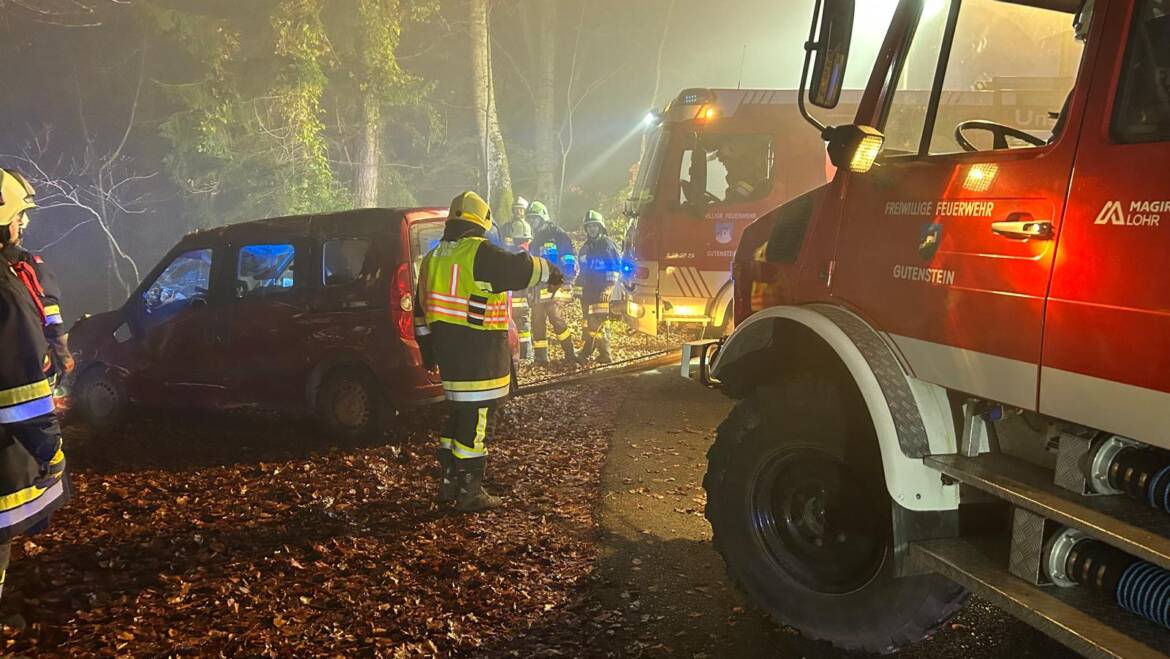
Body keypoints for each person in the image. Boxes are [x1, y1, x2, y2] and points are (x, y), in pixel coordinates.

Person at [413, 191, 562, 512]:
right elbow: (519, 268)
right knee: (477, 425)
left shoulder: (433, 258)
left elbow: (420, 315)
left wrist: (428, 353)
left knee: (457, 421)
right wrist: (552, 271)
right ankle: (470, 492)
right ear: (481, 222)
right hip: (480, 361)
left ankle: (449, 483)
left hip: (452, 362)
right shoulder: (478, 252)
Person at [0, 169, 70, 611]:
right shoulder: (6, 288)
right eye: (19, 214)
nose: (22, 223)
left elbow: (49, 308)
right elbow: (18, 385)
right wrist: (51, 451)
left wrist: (57, 340)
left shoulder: (24, 267)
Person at [0, 171, 73, 390]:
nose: (24, 221)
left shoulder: (20, 265)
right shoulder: (21, 268)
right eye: (19, 214)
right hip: (25, 402)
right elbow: (48, 312)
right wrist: (62, 353)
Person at [526, 201, 578, 364]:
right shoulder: (535, 240)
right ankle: (541, 358)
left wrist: (566, 280)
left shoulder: (557, 234)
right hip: (538, 288)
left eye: (535, 218)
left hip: (554, 286)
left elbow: (568, 258)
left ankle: (570, 354)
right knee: (537, 322)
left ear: (543, 217)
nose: (532, 222)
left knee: (557, 321)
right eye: (531, 219)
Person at [577, 210, 620, 364]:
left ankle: (605, 355)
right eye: (589, 227)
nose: (592, 229)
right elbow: (582, 272)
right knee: (590, 323)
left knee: (598, 322)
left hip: (602, 291)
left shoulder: (607, 245)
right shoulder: (585, 248)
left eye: (595, 226)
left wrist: (609, 289)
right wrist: (577, 290)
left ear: (600, 227)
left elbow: (614, 269)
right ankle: (591, 352)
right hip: (589, 292)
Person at [503, 216, 534, 360]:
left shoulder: (510, 253)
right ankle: (525, 356)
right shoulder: (527, 254)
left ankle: (517, 356)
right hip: (522, 299)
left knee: (514, 328)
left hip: (510, 300)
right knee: (523, 329)